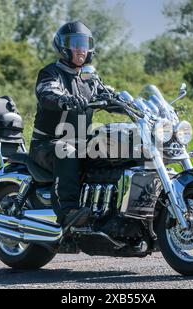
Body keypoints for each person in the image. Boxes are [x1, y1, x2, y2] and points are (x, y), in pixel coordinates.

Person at [29, 21, 123, 228]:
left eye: (85, 43)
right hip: (47, 144)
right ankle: (68, 212)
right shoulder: (51, 73)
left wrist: (131, 105)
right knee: (67, 150)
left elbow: (110, 96)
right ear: (63, 46)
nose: (81, 49)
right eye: (75, 43)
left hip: (81, 142)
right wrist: (65, 99)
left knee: (119, 146)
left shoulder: (90, 79)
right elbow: (47, 92)